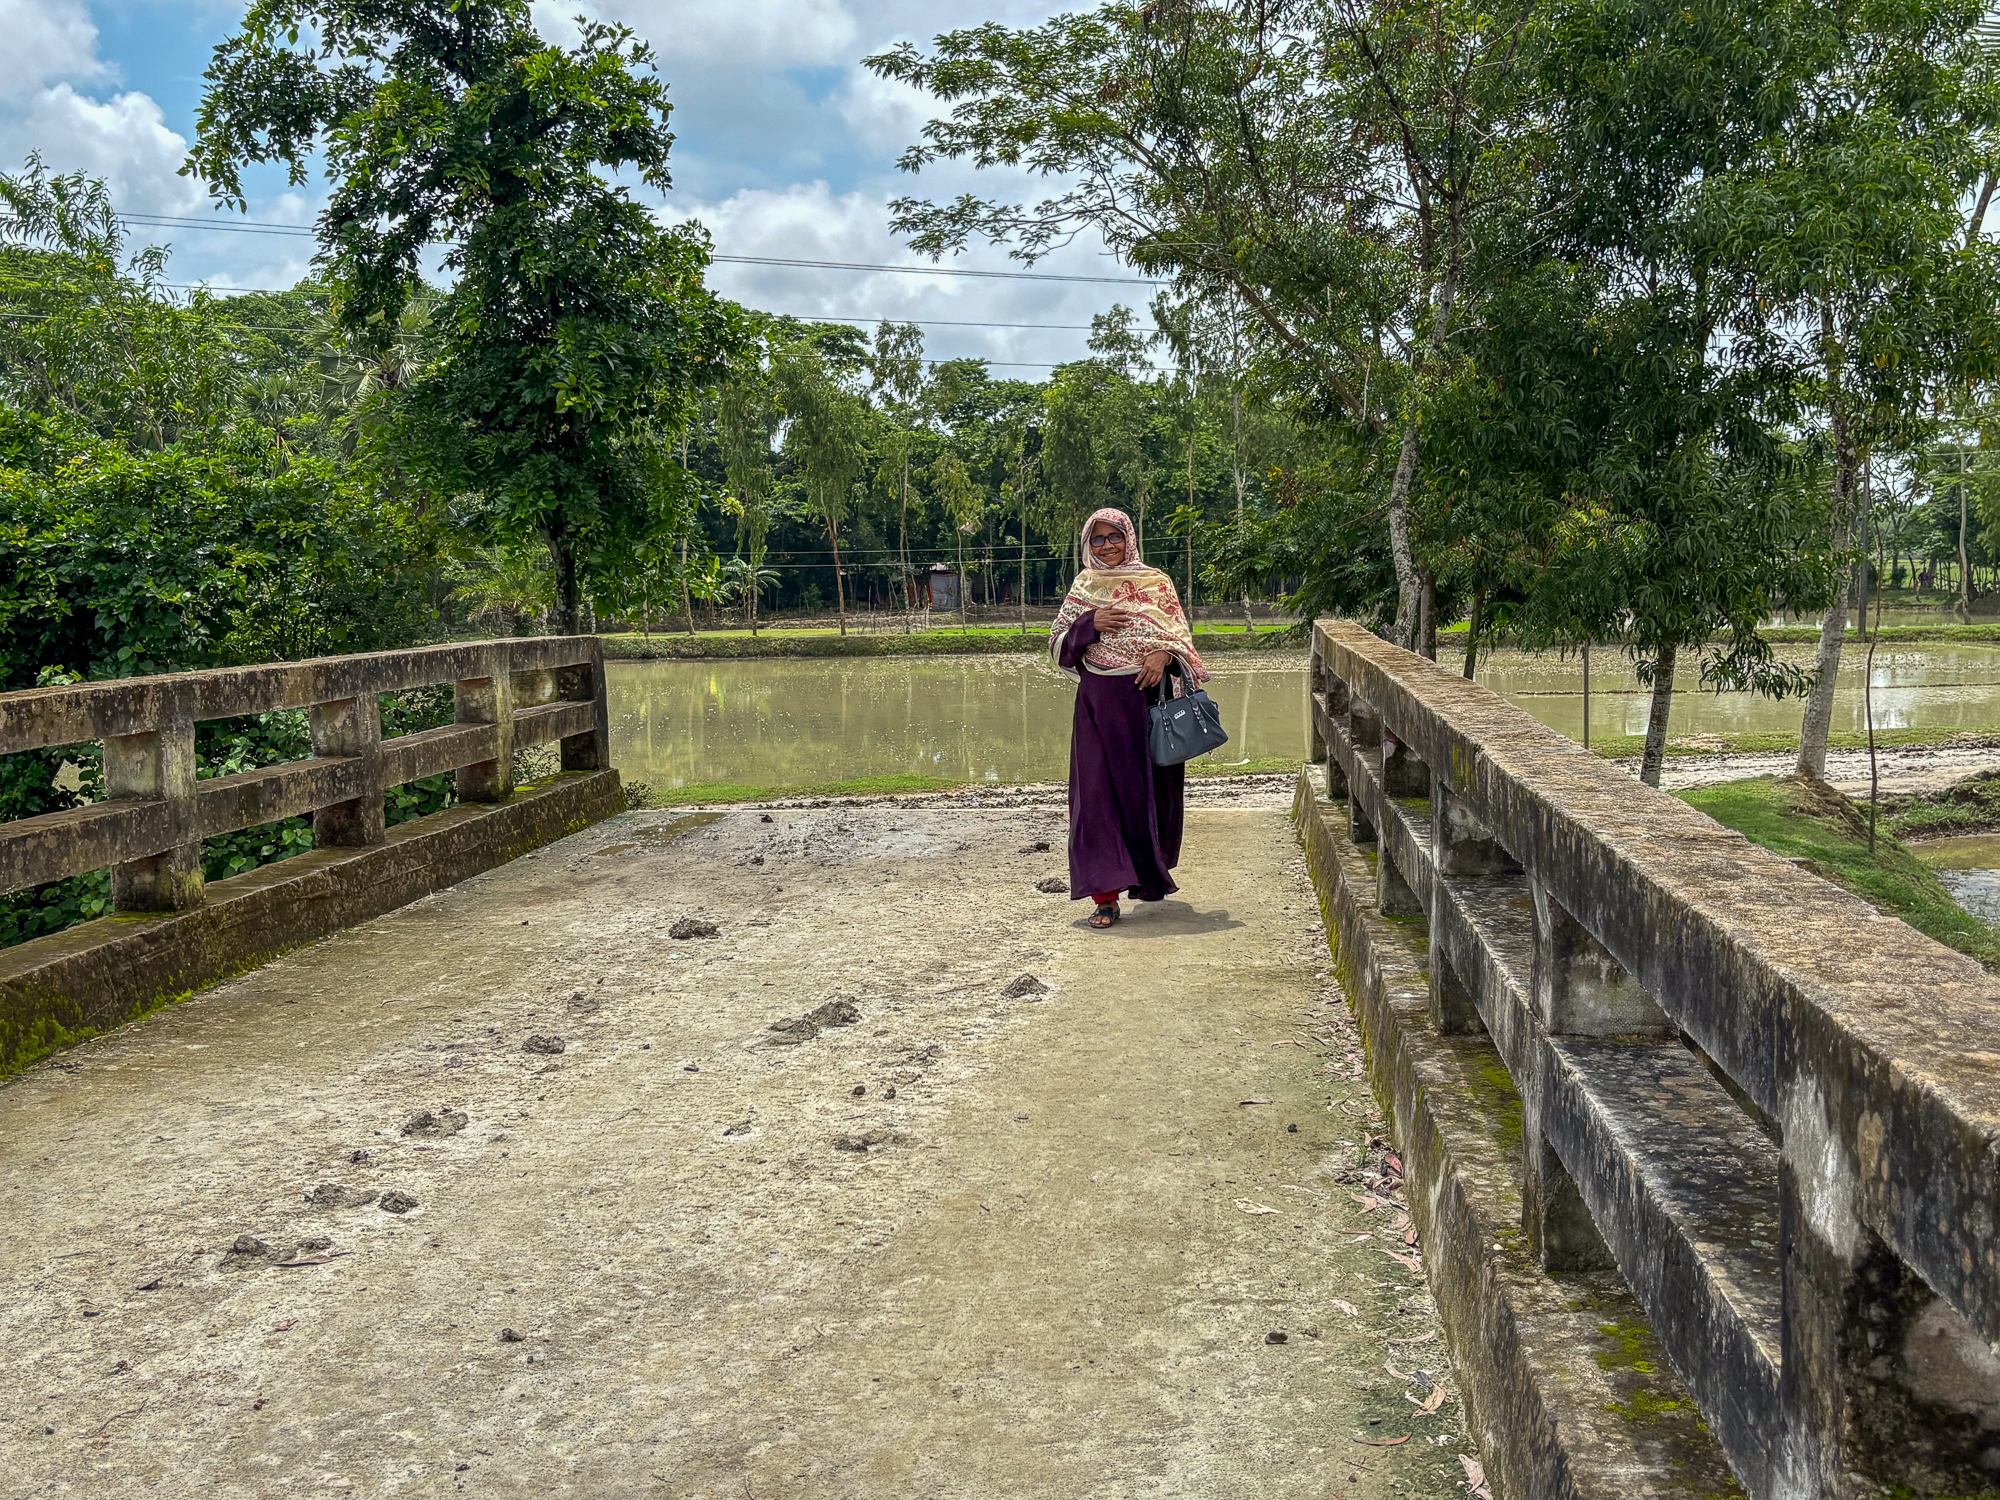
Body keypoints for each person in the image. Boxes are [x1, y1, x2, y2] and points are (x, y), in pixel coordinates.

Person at [1049, 507, 1210, 929]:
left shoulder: (1157, 583)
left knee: (1147, 794)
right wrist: (1091, 622)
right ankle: (1104, 897)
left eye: (1114, 537)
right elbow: (1058, 644)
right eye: (1098, 539)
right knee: (1097, 800)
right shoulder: (1084, 584)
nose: (1107, 546)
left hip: (1147, 701)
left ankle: (1148, 876)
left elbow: (1179, 639)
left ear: (1129, 537)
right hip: (1098, 704)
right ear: (1088, 544)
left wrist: (1163, 654)